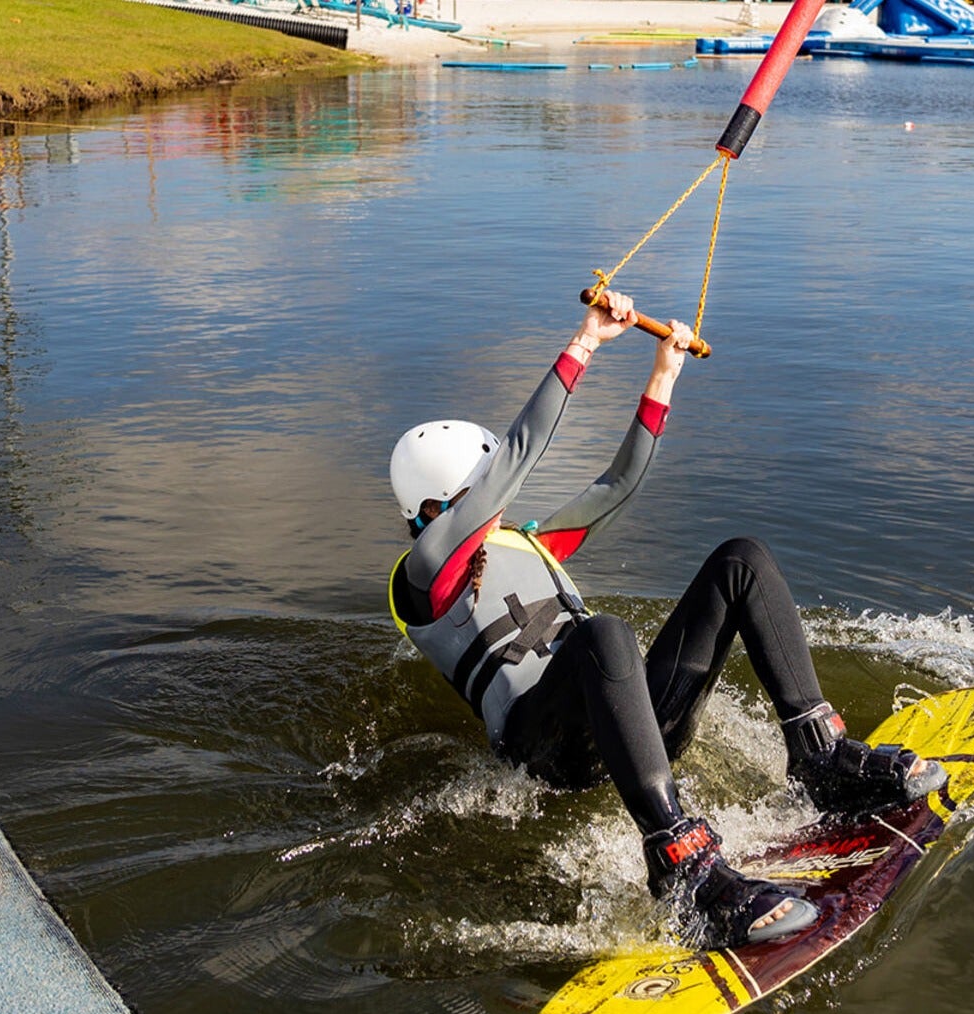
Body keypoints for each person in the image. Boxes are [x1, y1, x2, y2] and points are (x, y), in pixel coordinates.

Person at [385, 291, 945, 947]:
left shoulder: (527, 542)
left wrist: (663, 371)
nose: (498, 504)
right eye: (477, 491)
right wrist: (586, 341)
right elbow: (517, 456)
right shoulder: (424, 574)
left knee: (742, 561)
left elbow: (617, 484)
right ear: (435, 505)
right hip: (545, 751)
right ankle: (685, 865)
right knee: (604, 634)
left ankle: (818, 755)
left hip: (630, 726)